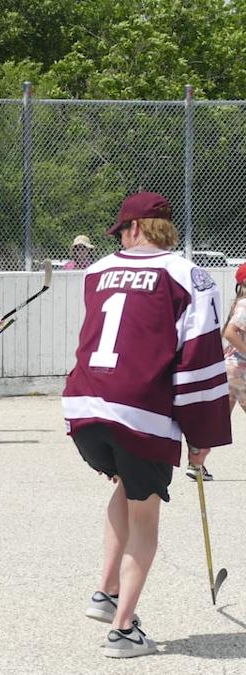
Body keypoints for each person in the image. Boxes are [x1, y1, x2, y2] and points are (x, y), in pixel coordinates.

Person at [62, 191, 231, 658]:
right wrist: (203, 435)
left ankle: (105, 591)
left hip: (83, 406)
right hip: (139, 410)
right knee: (146, 512)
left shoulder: (95, 272)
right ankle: (122, 631)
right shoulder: (188, 275)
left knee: (125, 485)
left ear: (133, 229)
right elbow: (200, 357)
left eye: (121, 229)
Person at [219, 261, 246, 482]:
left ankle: (195, 463)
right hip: (239, 371)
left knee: (218, 420)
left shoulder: (239, 303)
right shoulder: (245, 304)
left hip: (230, 369)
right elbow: (230, 332)